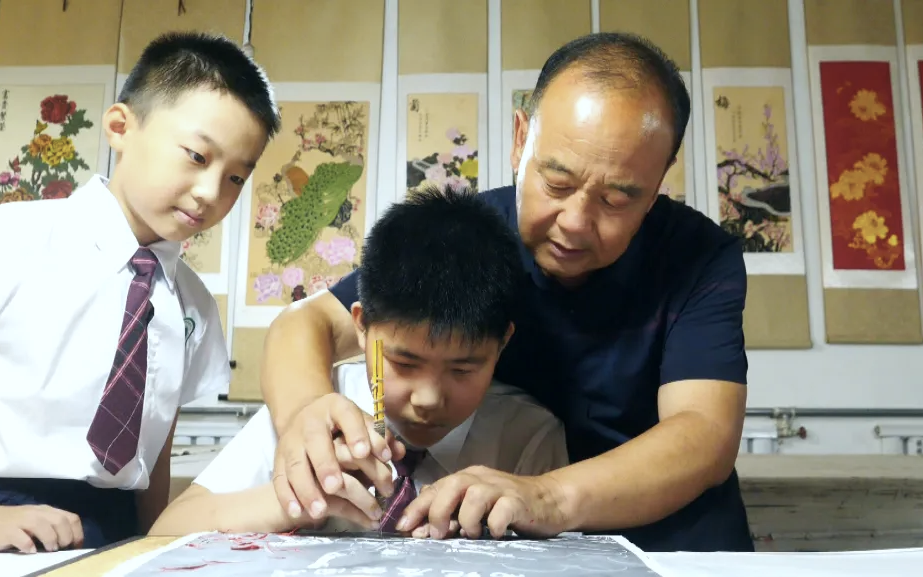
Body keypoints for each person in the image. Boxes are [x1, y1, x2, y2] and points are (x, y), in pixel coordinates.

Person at [258, 31, 752, 552]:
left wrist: (545, 497)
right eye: (557, 184)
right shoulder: (470, 236)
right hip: (512, 544)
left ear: (658, 181)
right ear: (520, 140)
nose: (575, 222)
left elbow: (704, 433)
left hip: (675, 547)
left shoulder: (699, 258)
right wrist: (306, 414)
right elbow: (304, 322)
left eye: (615, 200)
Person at [149, 186, 568, 537]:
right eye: (404, 364)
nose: (427, 398)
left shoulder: (529, 438)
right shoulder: (317, 414)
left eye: (462, 369)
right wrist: (296, 501)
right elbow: (166, 530)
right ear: (362, 326)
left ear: (503, 343)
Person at [0, 31, 280, 552]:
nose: (210, 193)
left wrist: (155, 547)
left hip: (115, 528)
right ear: (120, 127)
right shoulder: (13, 240)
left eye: (236, 179)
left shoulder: (193, 304)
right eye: (197, 156)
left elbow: (156, 451)